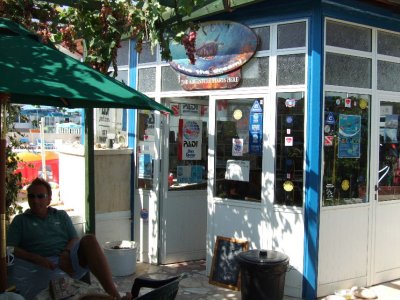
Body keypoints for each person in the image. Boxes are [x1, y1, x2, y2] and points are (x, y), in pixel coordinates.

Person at [7, 177, 131, 300]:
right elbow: (10, 248)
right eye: (31, 196)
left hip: (65, 260)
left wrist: (66, 253)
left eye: (40, 196)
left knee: (89, 239)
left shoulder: (60, 215)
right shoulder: (21, 220)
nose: (35, 200)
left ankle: (115, 295)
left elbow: (74, 238)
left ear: (49, 199)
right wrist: (35, 258)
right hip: (40, 265)